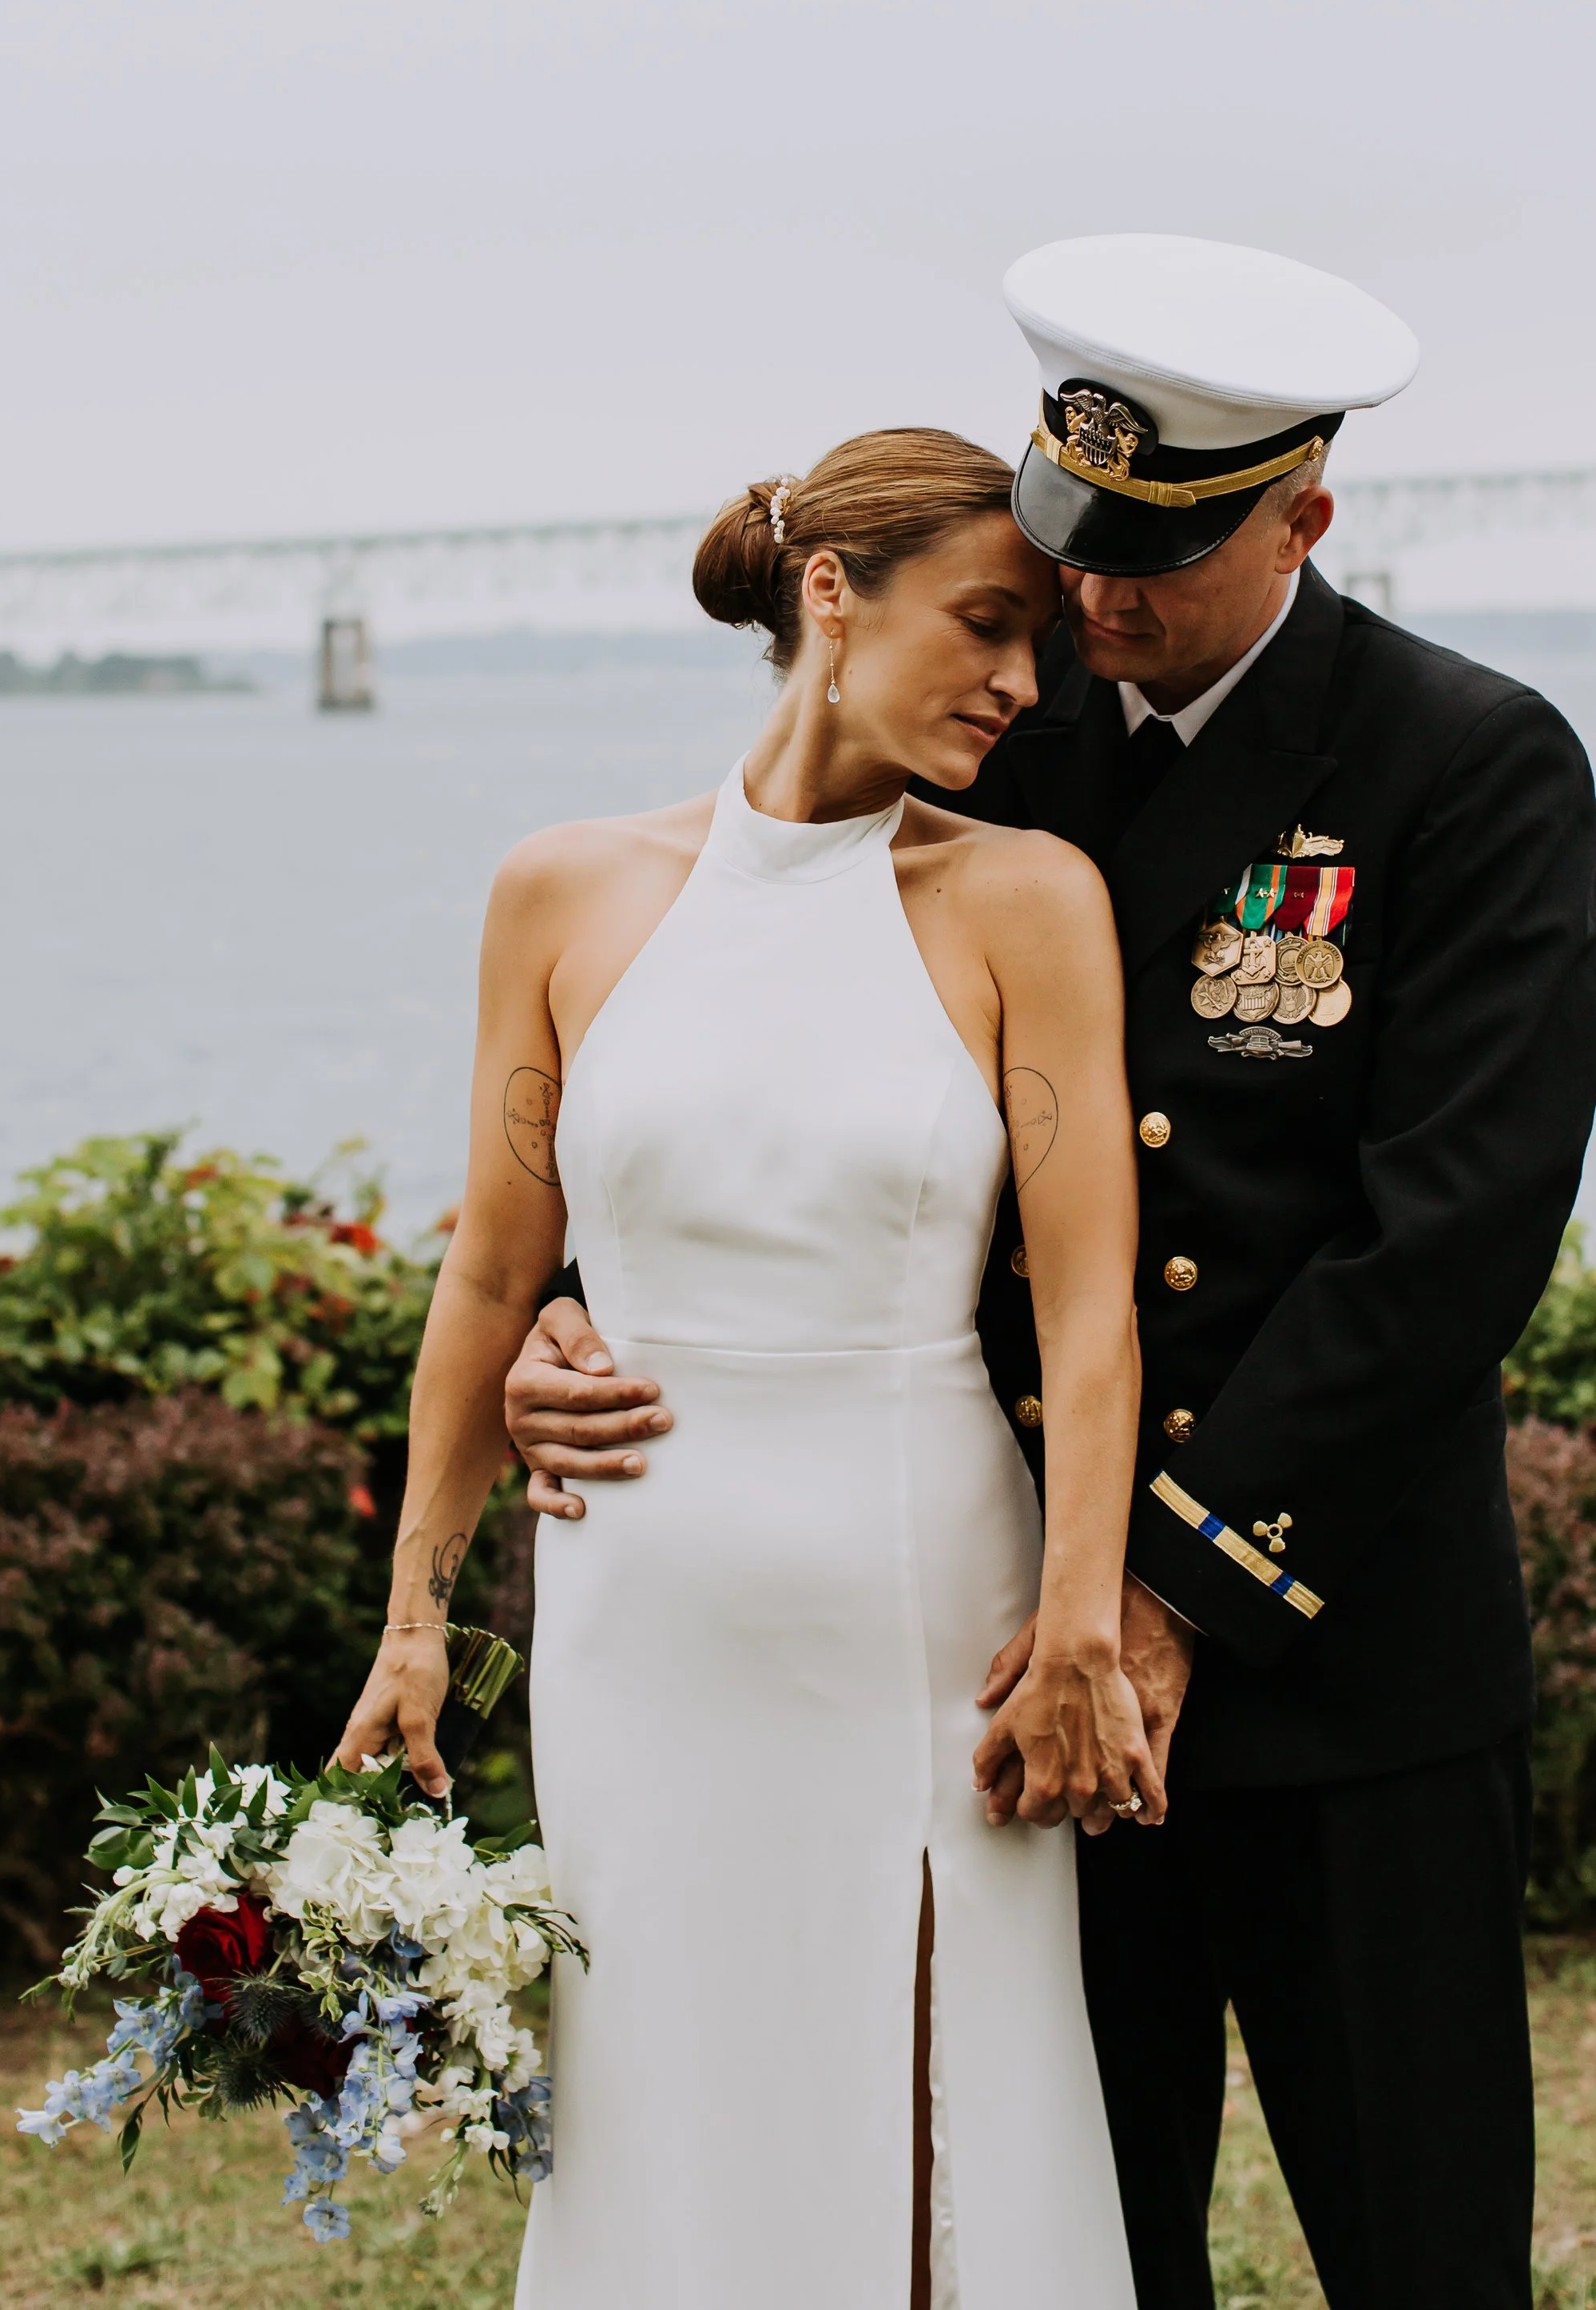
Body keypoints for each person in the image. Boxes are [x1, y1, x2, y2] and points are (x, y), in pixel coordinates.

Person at [512, 235, 1596, 2310]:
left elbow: (1450, 1228)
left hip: (1329, 1638)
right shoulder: (998, 732)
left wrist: (1164, 1588)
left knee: (1419, 2233)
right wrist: (586, 1298)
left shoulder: (1463, 760)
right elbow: (754, 1033)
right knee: (1082, 2239)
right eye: (1070, 543)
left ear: (1303, 509)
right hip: (1017, 1648)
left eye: (1160, 554)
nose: (1097, 604)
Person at [336, 427, 1151, 2310]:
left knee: (939, 2079)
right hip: (638, 1607)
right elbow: (489, 1275)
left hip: (922, 1606)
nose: (1022, 686)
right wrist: (415, 1620)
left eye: (1037, 645)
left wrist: (1084, 1622)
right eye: (988, 625)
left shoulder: (1026, 898)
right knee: (659, 2077)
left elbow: (1093, 1309)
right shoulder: (564, 890)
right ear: (828, 593)